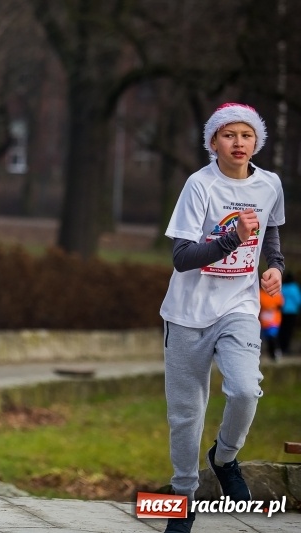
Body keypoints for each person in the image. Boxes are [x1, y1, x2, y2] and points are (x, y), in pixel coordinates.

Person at [159, 103, 285, 533]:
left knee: (246, 389)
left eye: (246, 135)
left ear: (257, 141)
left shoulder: (269, 184)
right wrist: (233, 238)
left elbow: (270, 229)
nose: (238, 143)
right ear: (213, 142)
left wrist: (275, 266)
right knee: (186, 414)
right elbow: (181, 258)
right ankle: (182, 498)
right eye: (229, 135)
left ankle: (225, 456)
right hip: (187, 314)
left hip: (239, 307)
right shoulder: (200, 185)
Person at [259, 287, 283, 361]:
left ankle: (276, 353)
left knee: (272, 336)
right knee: (266, 338)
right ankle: (271, 354)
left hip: (274, 320)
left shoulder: (276, 293)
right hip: (263, 321)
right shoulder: (260, 293)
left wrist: (272, 307)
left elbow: (280, 305)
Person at [278, 271, 300, 354]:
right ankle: (286, 348)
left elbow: (279, 299)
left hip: (282, 311)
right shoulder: (294, 288)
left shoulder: (283, 287)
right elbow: (298, 300)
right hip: (292, 312)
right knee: (289, 330)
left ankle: (280, 347)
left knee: (282, 330)